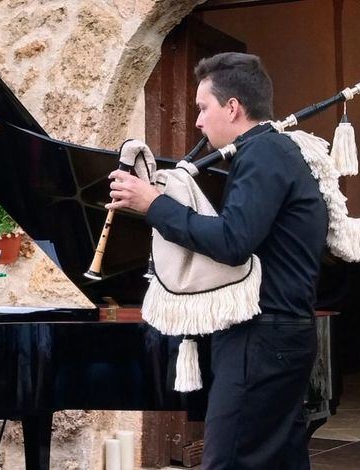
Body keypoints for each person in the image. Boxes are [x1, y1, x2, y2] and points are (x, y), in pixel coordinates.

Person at [107, 53, 328, 469]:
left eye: (203, 108)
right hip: (279, 332)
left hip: (261, 336)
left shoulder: (263, 152)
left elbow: (232, 241)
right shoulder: (273, 152)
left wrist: (154, 204)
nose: (197, 122)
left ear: (232, 107)